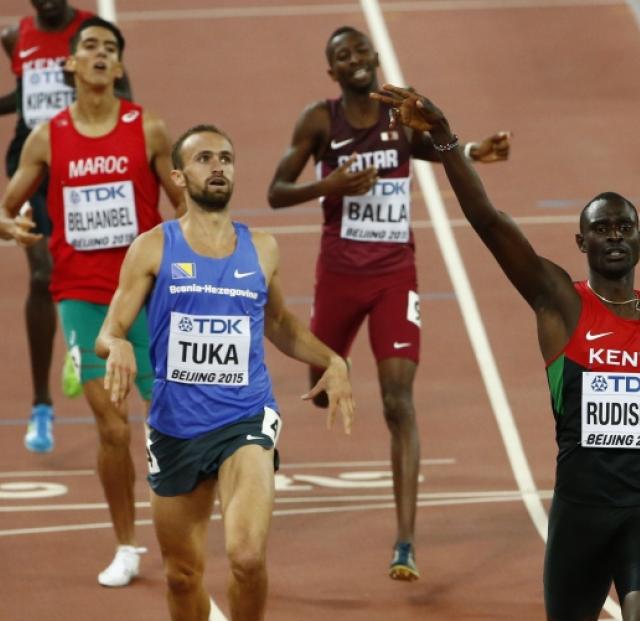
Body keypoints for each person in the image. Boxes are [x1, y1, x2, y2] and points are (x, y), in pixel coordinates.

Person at [371, 83, 640, 621]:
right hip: (583, 507)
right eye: (600, 228)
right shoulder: (560, 301)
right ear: (581, 243)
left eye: (623, 228)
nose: (613, 236)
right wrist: (447, 138)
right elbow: (490, 223)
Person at [266, 25, 510, 580]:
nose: (354, 59)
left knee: (398, 401)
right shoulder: (317, 120)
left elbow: (426, 147)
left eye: (359, 50)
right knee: (318, 384)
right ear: (332, 72)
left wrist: (472, 150)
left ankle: (405, 543)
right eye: (341, 55)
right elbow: (276, 192)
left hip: (395, 273)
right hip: (339, 273)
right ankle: (331, 368)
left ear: (375, 56)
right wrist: (331, 186)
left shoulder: (399, 114)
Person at [96, 124, 355, 621]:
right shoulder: (153, 248)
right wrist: (118, 348)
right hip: (176, 427)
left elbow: (279, 323)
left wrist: (333, 360)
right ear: (178, 175)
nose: (218, 166)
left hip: (245, 418)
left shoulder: (261, 248)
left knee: (246, 558)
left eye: (226, 158)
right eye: (204, 159)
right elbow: (110, 330)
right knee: (182, 576)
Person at [0, 17, 181, 586]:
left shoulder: (148, 129)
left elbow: (188, 204)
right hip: (80, 296)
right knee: (111, 428)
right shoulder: (46, 137)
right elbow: (7, 206)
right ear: (71, 65)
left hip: (147, 295)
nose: (100, 53)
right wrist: (11, 226)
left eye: (110, 48)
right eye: (90, 47)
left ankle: (180, 529)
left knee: (171, 421)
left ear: (119, 67)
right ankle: (127, 546)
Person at [0, 0, 128, 452]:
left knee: (92, 272)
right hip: (33, 163)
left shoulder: (93, 34)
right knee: (41, 274)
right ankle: (41, 406)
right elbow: (25, 95)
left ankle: (81, 344)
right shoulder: (16, 37)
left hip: (83, 164)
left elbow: (122, 95)